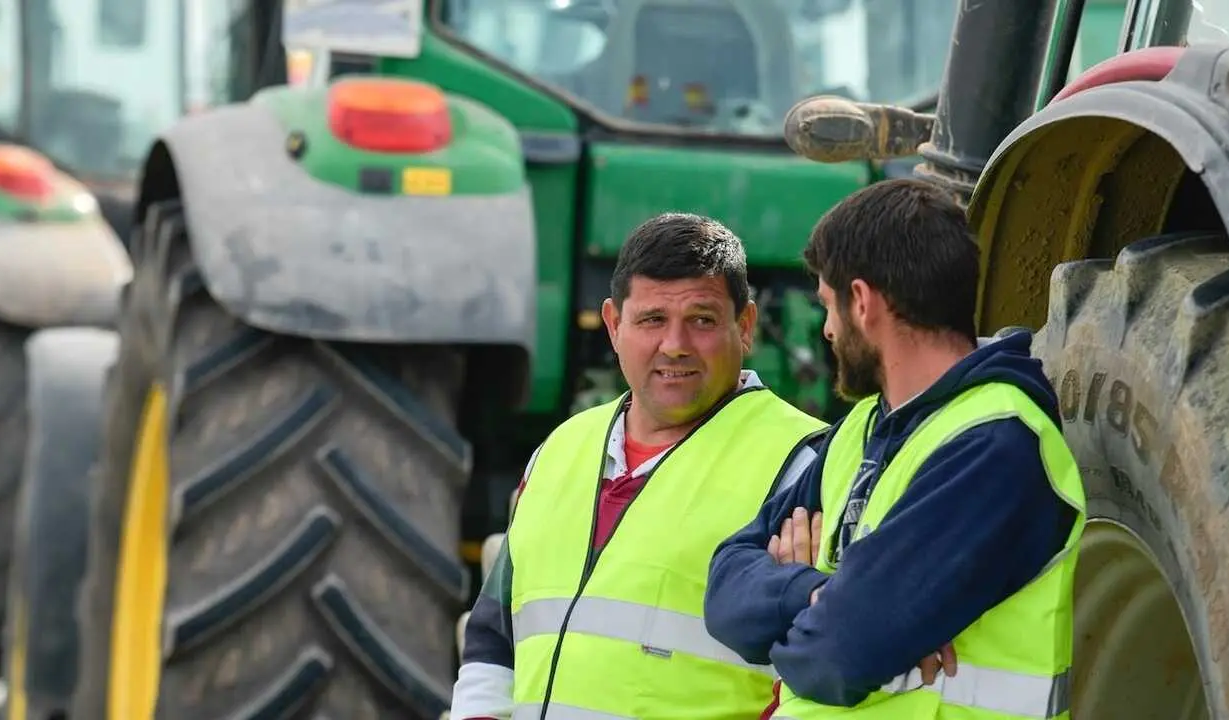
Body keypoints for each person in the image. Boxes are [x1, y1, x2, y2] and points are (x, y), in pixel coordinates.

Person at [704, 178, 1085, 720]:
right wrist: (816, 594)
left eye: (828, 307)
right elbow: (724, 593)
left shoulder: (997, 447)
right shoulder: (855, 432)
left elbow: (834, 656)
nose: (828, 331)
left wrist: (822, 615)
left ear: (861, 301)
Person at [448, 212, 829, 720]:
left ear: (745, 326)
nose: (674, 345)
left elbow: (815, 676)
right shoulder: (560, 451)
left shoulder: (803, 463)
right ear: (613, 324)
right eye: (652, 320)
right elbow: (494, 640)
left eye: (701, 320)